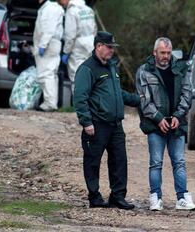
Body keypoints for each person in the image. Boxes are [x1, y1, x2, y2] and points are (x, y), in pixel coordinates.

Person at [73, 31, 140, 210]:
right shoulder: (87, 69)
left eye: (113, 47)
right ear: (99, 46)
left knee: (119, 160)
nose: (112, 51)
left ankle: (117, 196)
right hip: (97, 124)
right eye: (109, 47)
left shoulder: (111, 67)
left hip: (115, 124)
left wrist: (139, 100)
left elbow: (118, 93)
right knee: (93, 161)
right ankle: (94, 196)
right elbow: (80, 97)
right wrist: (86, 122)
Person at [135, 37, 195, 211]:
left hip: (177, 124)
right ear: (154, 52)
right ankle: (155, 197)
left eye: (168, 53)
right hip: (155, 125)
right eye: (162, 53)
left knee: (179, 161)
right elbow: (144, 100)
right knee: (156, 162)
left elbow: (187, 93)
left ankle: (182, 197)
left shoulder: (181, 68)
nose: (166, 56)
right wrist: (158, 118)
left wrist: (178, 115)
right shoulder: (144, 71)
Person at [57, 0, 97, 91]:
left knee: (77, 76)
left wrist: (66, 52)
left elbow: (70, 35)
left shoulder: (71, 11)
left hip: (78, 47)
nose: (61, 4)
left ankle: (80, 103)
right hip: (91, 44)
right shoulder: (88, 9)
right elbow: (94, 29)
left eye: (60, 1)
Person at [33, 0, 64, 112]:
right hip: (53, 44)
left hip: (48, 45)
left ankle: (49, 104)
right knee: (51, 74)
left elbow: (48, 30)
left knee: (45, 74)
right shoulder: (53, 8)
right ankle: (51, 102)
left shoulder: (49, 9)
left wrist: (42, 45)